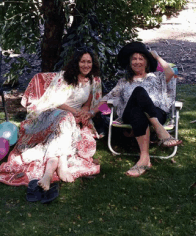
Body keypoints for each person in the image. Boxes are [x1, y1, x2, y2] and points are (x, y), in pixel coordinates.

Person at [0, 48, 102, 190]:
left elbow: (88, 104)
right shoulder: (64, 77)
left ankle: (48, 173)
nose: (86, 65)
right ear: (76, 63)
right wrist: (74, 112)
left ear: (93, 64)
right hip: (52, 113)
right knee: (66, 117)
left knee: (60, 133)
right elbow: (56, 101)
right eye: (82, 61)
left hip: (71, 118)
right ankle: (63, 165)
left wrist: (83, 114)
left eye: (89, 62)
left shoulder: (94, 81)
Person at [91, 41, 182, 178]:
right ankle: (160, 131)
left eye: (141, 58)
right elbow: (105, 101)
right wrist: (96, 112)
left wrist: (156, 57)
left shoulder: (156, 77)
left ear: (146, 62)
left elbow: (171, 72)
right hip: (130, 116)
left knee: (138, 110)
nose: (137, 62)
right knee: (138, 92)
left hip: (156, 112)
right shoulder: (123, 82)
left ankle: (144, 159)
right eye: (134, 59)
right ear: (130, 63)